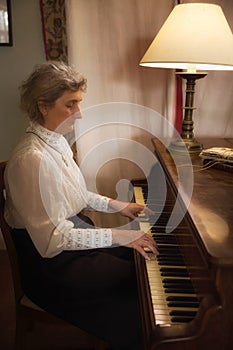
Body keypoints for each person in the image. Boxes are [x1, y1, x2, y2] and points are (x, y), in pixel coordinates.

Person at [4, 61, 158, 350]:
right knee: (137, 280)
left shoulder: (56, 142)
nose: (79, 114)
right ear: (43, 106)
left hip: (69, 238)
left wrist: (118, 206)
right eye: (70, 105)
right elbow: (52, 241)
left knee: (138, 262)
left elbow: (75, 194)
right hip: (49, 265)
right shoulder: (31, 159)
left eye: (79, 103)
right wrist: (121, 235)